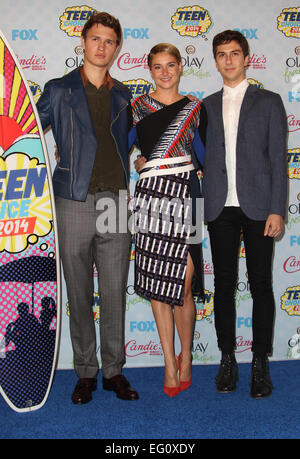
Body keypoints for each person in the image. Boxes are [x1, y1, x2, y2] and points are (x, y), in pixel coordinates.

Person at [37, 12, 138, 404]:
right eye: (96, 39)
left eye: (110, 41)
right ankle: (85, 372)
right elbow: (29, 128)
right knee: (78, 292)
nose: (102, 47)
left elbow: (132, 140)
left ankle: (113, 370)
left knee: (113, 292)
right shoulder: (58, 89)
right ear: (83, 42)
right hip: (72, 199)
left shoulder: (124, 94)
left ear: (116, 48)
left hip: (116, 199)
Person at [202, 30, 287, 398]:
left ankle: (260, 362)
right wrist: (146, 158)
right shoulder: (204, 105)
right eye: (221, 54)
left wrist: (276, 209)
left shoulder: (269, 101)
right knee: (222, 285)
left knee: (261, 285)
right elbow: (193, 155)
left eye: (235, 53)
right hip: (219, 206)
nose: (229, 60)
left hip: (257, 207)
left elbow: (279, 161)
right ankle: (226, 359)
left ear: (247, 57)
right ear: (216, 60)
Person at [131, 43, 206, 397]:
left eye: (170, 65)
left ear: (180, 67)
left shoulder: (195, 108)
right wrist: (139, 162)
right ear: (149, 69)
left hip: (187, 196)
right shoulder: (136, 108)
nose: (165, 72)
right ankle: (168, 362)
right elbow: (118, 148)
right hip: (150, 201)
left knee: (184, 283)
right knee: (158, 286)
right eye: (158, 66)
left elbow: (206, 155)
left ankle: (186, 356)